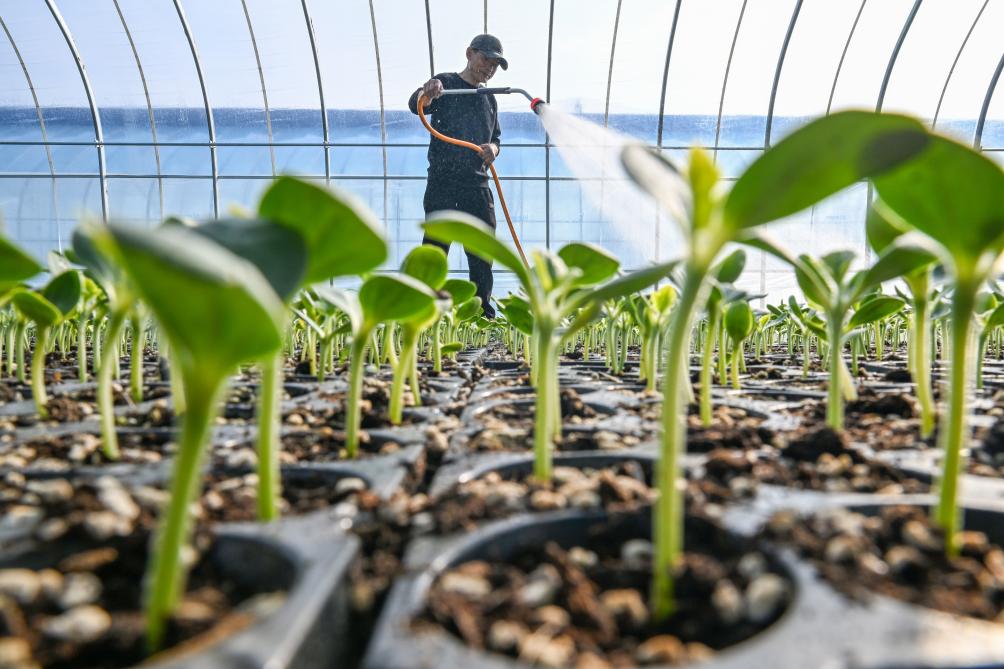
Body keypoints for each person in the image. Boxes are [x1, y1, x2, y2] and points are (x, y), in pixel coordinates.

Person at [408, 34, 509, 319]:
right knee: (435, 250)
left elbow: (496, 137)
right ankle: (425, 312)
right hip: (443, 182)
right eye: (486, 60)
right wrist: (427, 91)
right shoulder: (446, 84)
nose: (489, 68)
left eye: (495, 65)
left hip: (476, 184)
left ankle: (482, 314)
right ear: (469, 53)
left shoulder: (489, 98)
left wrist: (493, 149)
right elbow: (417, 105)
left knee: (481, 253)